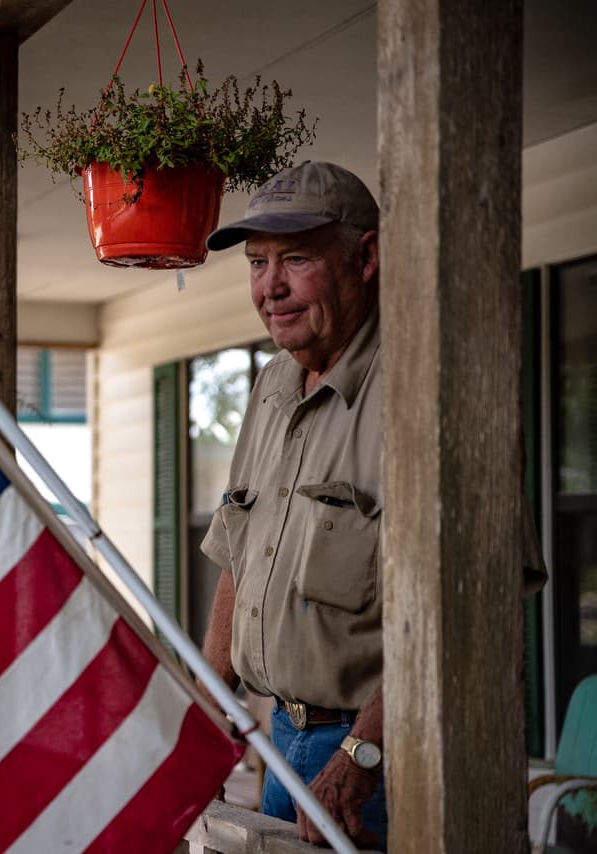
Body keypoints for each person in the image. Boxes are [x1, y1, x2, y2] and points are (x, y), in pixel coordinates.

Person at [198, 161, 548, 850]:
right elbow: (240, 557)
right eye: (258, 262)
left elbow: (475, 607)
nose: (270, 288)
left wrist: (363, 754)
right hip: (280, 744)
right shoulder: (273, 383)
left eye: (296, 259)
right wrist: (207, 713)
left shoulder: (429, 381)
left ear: (367, 257)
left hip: (387, 764)